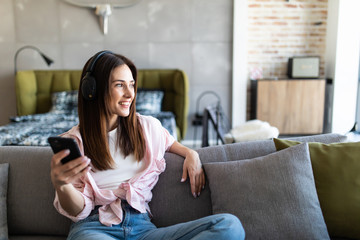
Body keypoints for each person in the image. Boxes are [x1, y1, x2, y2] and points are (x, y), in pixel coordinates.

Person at [50, 51, 245, 240]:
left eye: (132, 85)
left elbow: (171, 143)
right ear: (92, 90)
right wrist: (62, 185)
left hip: (142, 229)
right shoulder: (74, 143)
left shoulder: (147, 127)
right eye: (120, 85)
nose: (130, 94)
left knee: (229, 226)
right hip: (95, 229)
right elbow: (77, 210)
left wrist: (191, 154)